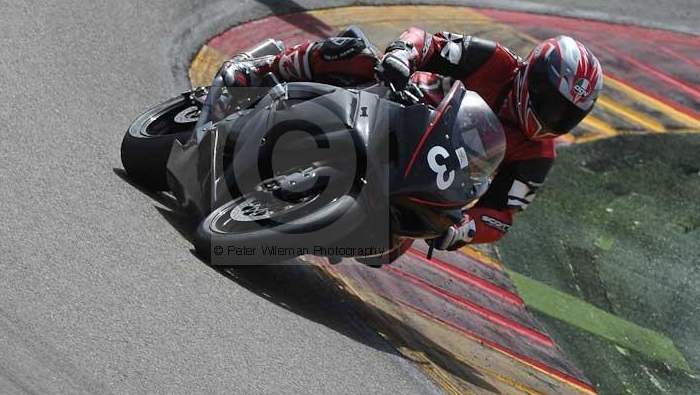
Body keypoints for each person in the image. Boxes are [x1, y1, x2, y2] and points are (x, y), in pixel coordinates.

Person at [214, 25, 603, 252]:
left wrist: (464, 229)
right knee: (354, 52)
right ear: (533, 76)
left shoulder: (538, 155)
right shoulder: (494, 60)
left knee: (384, 249)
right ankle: (260, 68)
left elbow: (501, 214)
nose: (553, 117)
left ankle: (303, 225)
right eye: (551, 102)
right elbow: (429, 42)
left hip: (425, 182)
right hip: (401, 105)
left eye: (566, 114)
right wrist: (403, 55)